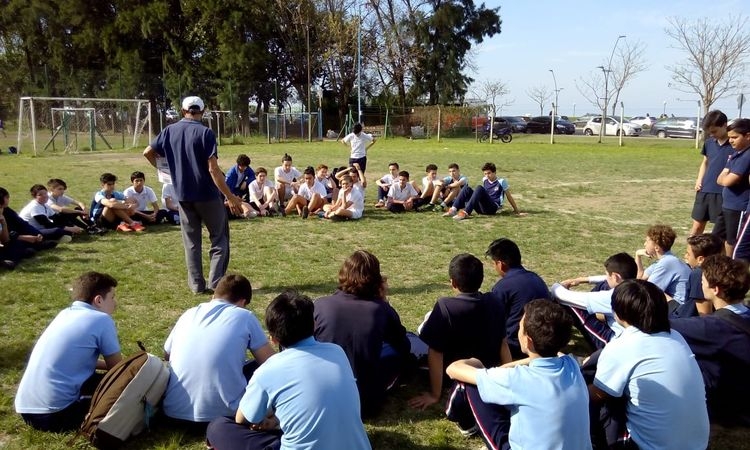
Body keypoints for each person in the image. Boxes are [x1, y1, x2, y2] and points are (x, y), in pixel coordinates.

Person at [205, 290, 371, 450]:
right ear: (314, 325)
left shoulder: (268, 370)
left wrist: (268, 417)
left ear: (273, 339)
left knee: (218, 427)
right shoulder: (337, 352)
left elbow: (242, 419)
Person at [445, 300, 591, 449]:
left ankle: (463, 422)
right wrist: (504, 367)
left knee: (467, 384)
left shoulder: (516, 379)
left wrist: (476, 362)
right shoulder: (571, 365)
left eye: (520, 327)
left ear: (528, 341)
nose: (517, 330)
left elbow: (453, 369)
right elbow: (553, 356)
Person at [590, 279, 709, 450]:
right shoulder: (676, 337)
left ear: (618, 313)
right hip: (698, 444)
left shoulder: (622, 346)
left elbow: (597, 394)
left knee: (603, 400)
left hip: (651, 446)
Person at [143, 96, 243, 294]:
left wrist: (167, 172)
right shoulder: (205, 132)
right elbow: (213, 169)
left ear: (183, 111)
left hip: (183, 194)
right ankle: (216, 283)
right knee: (219, 238)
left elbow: (148, 152)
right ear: (203, 112)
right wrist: (230, 196)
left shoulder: (169, 130)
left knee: (191, 242)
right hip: (207, 194)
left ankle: (196, 285)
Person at [162, 274, 275, 427]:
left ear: (214, 295)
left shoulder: (188, 314)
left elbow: (167, 355)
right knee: (257, 367)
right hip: (225, 415)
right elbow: (272, 363)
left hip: (173, 413)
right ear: (242, 302)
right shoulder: (245, 316)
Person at [15, 272, 122, 432]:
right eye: (112, 297)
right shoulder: (101, 320)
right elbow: (118, 370)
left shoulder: (65, 314)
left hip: (26, 409)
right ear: (99, 300)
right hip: (56, 414)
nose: (115, 303)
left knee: (100, 380)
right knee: (125, 391)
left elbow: (75, 361)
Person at [408, 253, 511, 411]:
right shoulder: (494, 302)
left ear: (453, 282)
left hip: (455, 375)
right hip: (486, 372)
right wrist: (508, 380)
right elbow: (503, 343)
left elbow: (435, 353)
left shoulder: (445, 307)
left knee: (418, 335)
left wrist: (435, 395)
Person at [313, 250, 410, 417]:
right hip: (364, 402)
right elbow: (403, 346)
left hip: (323, 398)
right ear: (377, 280)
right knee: (397, 350)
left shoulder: (320, 306)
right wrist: (383, 302)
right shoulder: (380, 310)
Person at [670, 254, 750, 426]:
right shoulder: (745, 315)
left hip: (728, 411)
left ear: (715, 289)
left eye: (703, 280)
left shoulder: (711, 328)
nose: (701, 283)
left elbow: (660, 325)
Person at [551, 252, 637, 349]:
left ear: (615, 276)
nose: (606, 277)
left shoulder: (612, 296)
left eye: (607, 275)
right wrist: (581, 280)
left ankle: (551, 337)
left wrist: (559, 285)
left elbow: (561, 295)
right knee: (604, 284)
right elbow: (605, 279)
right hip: (633, 338)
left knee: (570, 305)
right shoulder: (639, 286)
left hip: (615, 343)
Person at [485, 238, 550, 360]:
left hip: (516, 347)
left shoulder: (503, 287)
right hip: (543, 342)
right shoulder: (537, 279)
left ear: (500, 264)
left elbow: (492, 320)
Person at [690, 111, 732, 238]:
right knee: (696, 227)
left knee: (720, 231)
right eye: (709, 133)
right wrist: (699, 180)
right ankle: (691, 251)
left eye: (714, 131)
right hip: (705, 190)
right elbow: (705, 162)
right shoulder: (709, 143)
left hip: (723, 192)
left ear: (724, 125)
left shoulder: (735, 143)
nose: (712, 135)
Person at [443, 162, 523, 220]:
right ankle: (453, 210)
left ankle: (466, 213)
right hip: (482, 209)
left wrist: (517, 211)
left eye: (489, 173)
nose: (487, 176)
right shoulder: (485, 179)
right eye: (485, 174)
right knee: (466, 189)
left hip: (492, 208)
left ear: (495, 172)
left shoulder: (501, 181)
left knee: (479, 188)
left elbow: (509, 197)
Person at [717, 118, 750, 256]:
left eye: (734, 137)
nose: (730, 141)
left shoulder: (747, 156)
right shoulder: (737, 153)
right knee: (716, 239)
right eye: (729, 137)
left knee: (732, 242)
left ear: (748, 136)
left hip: (738, 207)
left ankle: (730, 267)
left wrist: (727, 177)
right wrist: (726, 177)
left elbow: (727, 181)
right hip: (727, 205)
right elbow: (720, 179)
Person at [635, 224, 691, 305]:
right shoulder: (665, 260)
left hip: (677, 308)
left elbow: (647, 291)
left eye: (647, 241)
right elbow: (639, 280)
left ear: (657, 248)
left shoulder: (666, 263)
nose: (644, 244)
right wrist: (638, 256)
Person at [676, 233, 724, 317]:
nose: (685, 256)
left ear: (700, 259)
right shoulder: (724, 270)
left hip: (688, 318)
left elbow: (704, 313)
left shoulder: (699, 274)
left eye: (688, 254)